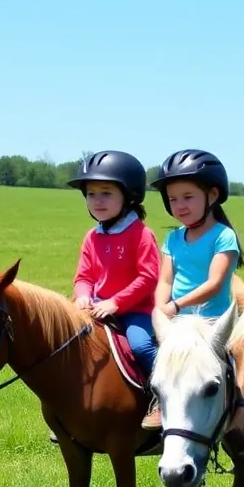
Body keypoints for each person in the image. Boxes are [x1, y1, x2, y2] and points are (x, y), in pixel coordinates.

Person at [67, 150, 162, 429]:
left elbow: (149, 277)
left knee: (141, 346)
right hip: (96, 308)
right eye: (91, 194)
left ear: (129, 196)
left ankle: (163, 398)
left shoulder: (141, 234)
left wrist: (115, 303)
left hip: (136, 311)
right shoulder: (92, 236)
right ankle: (72, 409)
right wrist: (83, 296)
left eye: (106, 193)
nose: (97, 200)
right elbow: (83, 276)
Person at [149, 146, 244, 324]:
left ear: (212, 195)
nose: (180, 206)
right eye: (173, 199)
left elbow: (214, 285)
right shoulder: (173, 238)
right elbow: (165, 281)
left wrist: (176, 305)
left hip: (213, 323)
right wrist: (161, 306)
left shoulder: (223, 236)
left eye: (188, 197)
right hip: (176, 319)